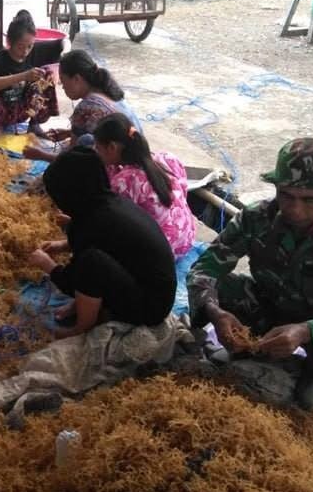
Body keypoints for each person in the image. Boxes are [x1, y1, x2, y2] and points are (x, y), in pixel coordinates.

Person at [187, 138, 313, 409]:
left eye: (310, 199)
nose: (295, 209)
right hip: (271, 307)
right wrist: (215, 312)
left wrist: (305, 331)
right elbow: (205, 269)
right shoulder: (256, 217)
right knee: (221, 289)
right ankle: (251, 350)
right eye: (286, 195)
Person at [29, 147, 177, 338]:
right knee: (93, 262)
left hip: (150, 309)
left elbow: (74, 280)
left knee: (90, 263)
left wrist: (47, 264)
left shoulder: (90, 225)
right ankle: (88, 306)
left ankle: (81, 329)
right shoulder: (111, 202)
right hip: (153, 290)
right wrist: (63, 245)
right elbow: (108, 242)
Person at [93, 113, 196, 259]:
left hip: (162, 255)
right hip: (186, 239)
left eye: (98, 148)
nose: (97, 153)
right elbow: (183, 195)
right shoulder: (166, 158)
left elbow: (114, 225)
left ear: (112, 147)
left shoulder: (124, 182)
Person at [23, 49, 142, 161]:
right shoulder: (112, 93)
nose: (63, 87)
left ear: (76, 79)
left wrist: (41, 155)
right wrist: (69, 133)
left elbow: (70, 159)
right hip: (140, 158)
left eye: (63, 82)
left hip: (119, 167)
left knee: (83, 143)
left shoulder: (86, 107)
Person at [0, 10, 62, 140]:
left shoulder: (34, 51)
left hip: (20, 111)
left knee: (46, 75)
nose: (25, 52)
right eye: (20, 47)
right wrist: (23, 76)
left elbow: (63, 43)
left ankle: (34, 124)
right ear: (9, 42)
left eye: (30, 46)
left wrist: (58, 63)